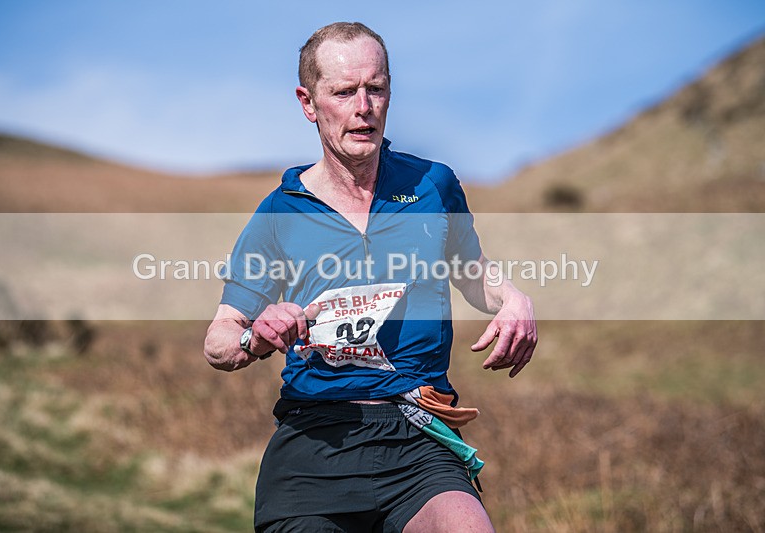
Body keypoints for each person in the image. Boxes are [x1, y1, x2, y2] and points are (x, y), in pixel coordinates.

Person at [204, 22, 537, 533]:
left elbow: (474, 273)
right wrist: (257, 335)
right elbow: (219, 341)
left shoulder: (433, 186)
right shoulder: (279, 214)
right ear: (308, 102)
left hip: (418, 433)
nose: (364, 106)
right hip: (316, 441)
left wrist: (511, 298)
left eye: (376, 88)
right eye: (343, 91)